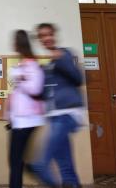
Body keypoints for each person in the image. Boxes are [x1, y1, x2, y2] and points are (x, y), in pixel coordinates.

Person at [27, 23, 84, 188]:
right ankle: (71, 184)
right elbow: (43, 94)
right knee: (64, 161)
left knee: (46, 156)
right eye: (42, 36)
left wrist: (61, 59)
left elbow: (78, 78)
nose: (46, 38)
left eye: (49, 34)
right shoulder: (49, 65)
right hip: (54, 114)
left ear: (54, 35)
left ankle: (41, 165)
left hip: (68, 113)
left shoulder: (64, 54)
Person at [5, 30, 45, 188]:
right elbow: (19, 92)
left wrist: (19, 78)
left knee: (15, 160)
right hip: (20, 120)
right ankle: (36, 169)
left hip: (27, 119)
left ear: (19, 43)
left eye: (14, 41)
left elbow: (35, 88)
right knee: (16, 159)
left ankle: (39, 170)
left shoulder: (31, 64)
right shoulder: (23, 64)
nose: (12, 44)